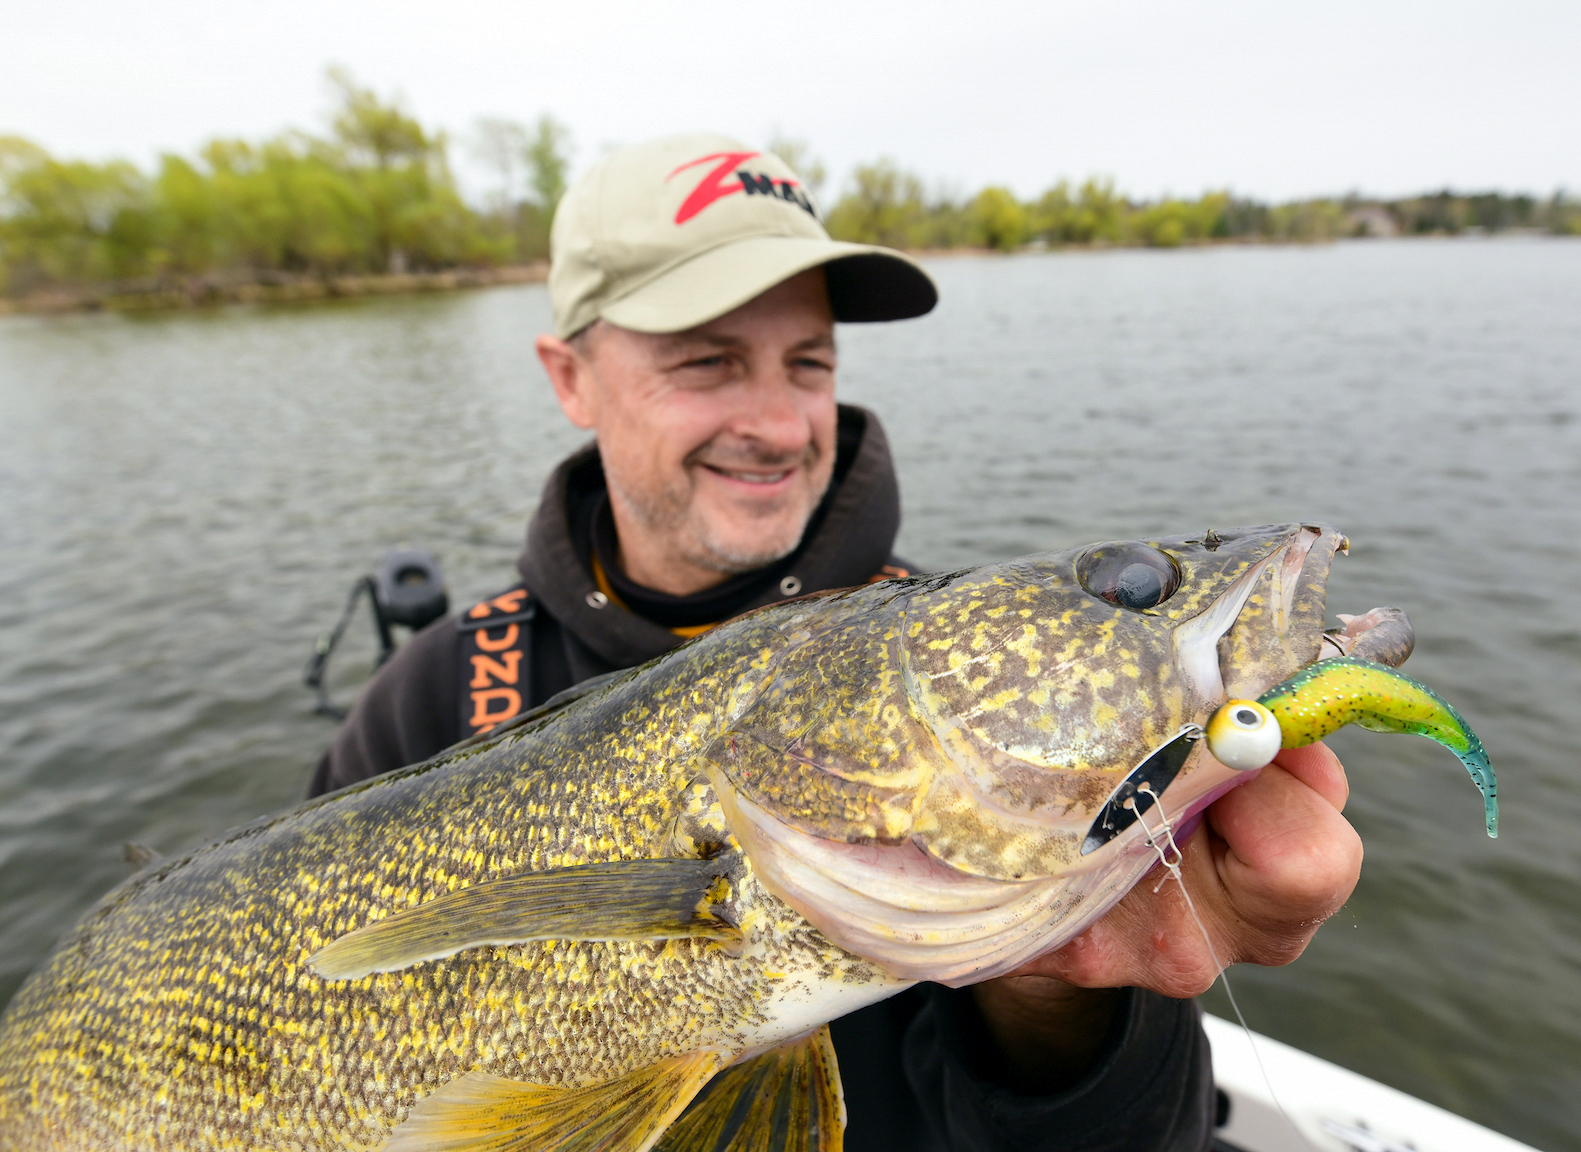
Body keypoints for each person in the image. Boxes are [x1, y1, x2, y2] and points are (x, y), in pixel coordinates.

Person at [310, 134, 1363, 1150]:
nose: (777, 423)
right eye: (709, 362)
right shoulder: (424, 700)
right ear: (570, 377)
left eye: (807, 361)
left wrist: (1064, 993)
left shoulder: (960, 688)